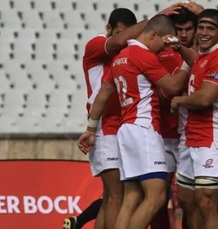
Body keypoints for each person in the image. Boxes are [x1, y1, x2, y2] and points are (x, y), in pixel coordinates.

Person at [78, 14, 190, 229]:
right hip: (144, 129)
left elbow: (102, 95)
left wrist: (90, 130)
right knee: (157, 197)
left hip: (125, 130)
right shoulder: (143, 55)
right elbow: (174, 87)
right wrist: (186, 60)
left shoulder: (122, 57)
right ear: (155, 35)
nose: (162, 50)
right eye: (164, 43)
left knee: (131, 197)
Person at [69, 8, 138, 229]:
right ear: (108, 29)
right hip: (104, 127)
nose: (123, 39)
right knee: (117, 196)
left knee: (109, 197)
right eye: (119, 33)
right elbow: (117, 43)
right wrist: (154, 22)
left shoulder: (126, 52)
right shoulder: (96, 44)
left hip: (119, 126)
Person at [170, 9, 218, 229]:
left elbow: (205, 98)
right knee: (186, 200)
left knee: (207, 202)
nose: (204, 33)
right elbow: (196, 59)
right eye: (201, 27)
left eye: (210, 28)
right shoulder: (203, 55)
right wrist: (178, 47)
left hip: (214, 140)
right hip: (192, 138)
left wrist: (179, 100)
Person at [152, 7, 197, 229]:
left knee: (190, 201)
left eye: (189, 29)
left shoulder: (205, 55)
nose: (184, 34)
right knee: (158, 198)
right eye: (179, 29)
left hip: (192, 137)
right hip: (165, 136)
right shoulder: (163, 54)